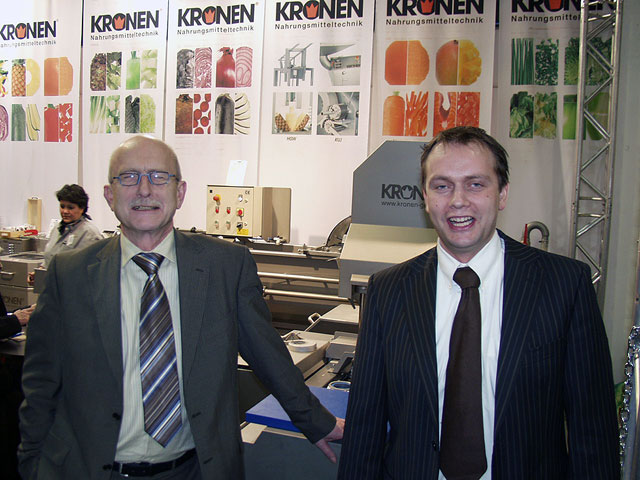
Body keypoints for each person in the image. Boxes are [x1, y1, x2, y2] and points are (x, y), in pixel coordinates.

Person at [18, 135, 343, 479]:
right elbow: (40, 382)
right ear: (109, 195)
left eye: (159, 177)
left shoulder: (225, 266)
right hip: (91, 470)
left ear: (180, 192)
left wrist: (317, 421)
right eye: (129, 177)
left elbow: (268, 355)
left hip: (194, 470)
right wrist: (31, 463)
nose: (144, 189)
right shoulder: (69, 274)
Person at [337, 126, 619, 479]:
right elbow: (365, 427)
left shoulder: (563, 285)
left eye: (475, 184)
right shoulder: (388, 291)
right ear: (425, 197)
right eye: (442, 186)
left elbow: (592, 430)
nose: (458, 201)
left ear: (502, 194)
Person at [43, 184, 103, 266]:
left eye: (70, 208)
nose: (65, 211)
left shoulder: (90, 234)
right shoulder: (57, 228)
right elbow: (49, 257)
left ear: (82, 208)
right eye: (62, 206)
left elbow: (94, 266)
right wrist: (41, 268)